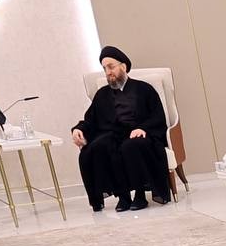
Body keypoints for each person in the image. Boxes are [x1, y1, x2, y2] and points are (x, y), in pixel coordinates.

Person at [72, 46, 172, 212]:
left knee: (131, 145)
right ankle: (123, 196)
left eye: (111, 67)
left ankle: (140, 195)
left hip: (139, 134)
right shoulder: (102, 94)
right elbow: (90, 120)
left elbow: (157, 117)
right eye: (105, 68)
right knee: (97, 148)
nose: (108, 72)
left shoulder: (144, 89)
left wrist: (142, 128)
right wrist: (78, 129)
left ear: (123, 66)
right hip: (112, 135)